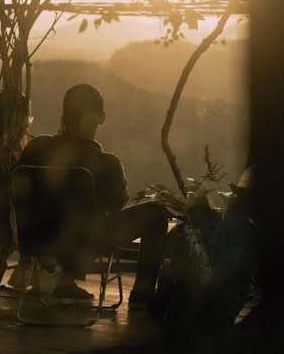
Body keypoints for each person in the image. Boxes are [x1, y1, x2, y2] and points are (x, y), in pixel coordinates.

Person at [16, 83, 172, 306]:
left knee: (79, 217)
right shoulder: (106, 163)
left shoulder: (36, 147)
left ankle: (65, 281)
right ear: (101, 117)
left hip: (34, 236)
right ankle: (142, 293)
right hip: (83, 240)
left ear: (64, 114)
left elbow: (18, 192)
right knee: (156, 212)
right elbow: (118, 202)